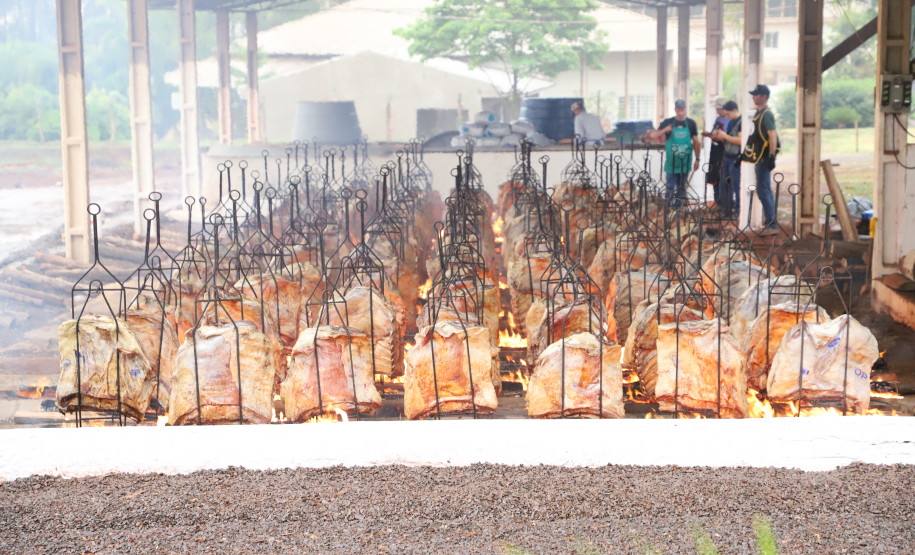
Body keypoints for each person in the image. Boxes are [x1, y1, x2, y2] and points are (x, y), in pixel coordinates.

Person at [741, 84, 780, 232]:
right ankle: (770, 222)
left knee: (764, 189)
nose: (753, 97)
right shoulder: (759, 113)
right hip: (759, 157)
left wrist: (771, 156)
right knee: (763, 189)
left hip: (764, 157)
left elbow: (772, 135)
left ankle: (772, 224)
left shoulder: (766, 114)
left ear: (764, 97)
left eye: (756, 95)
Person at [648, 99, 701, 204]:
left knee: (681, 188)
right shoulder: (668, 122)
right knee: (670, 187)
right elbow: (653, 135)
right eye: (678, 110)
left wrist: (697, 159)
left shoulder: (691, 123)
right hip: (671, 162)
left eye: (682, 110)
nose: (680, 112)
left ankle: (678, 210)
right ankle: (667, 210)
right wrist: (664, 130)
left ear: (685, 110)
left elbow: (696, 142)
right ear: (675, 110)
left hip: (684, 162)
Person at [711, 101, 742, 220]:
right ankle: (726, 210)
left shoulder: (742, 122)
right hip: (727, 155)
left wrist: (725, 136)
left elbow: (740, 140)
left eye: (728, 114)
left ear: (734, 110)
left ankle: (738, 210)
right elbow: (727, 140)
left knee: (736, 185)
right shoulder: (730, 122)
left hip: (736, 157)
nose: (727, 117)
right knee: (724, 184)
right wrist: (719, 136)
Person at [701, 97, 731, 206]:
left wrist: (713, 136)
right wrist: (709, 134)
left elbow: (723, 137)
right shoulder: (718, 119)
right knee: (714, 177)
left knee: (723, 178)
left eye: (719, 109)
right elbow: (714, 134)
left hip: (724, 152)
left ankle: (726, 204)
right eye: (717, 109)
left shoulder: (730, 122)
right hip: (714, 152)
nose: (717, 111)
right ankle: (718, 203)